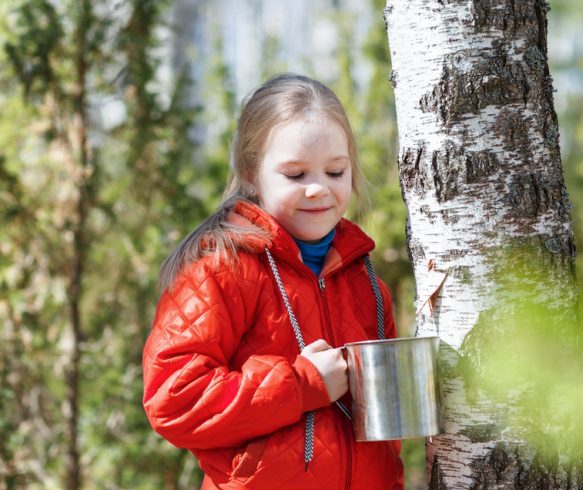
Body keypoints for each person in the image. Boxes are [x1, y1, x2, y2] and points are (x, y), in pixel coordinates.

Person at [142, 73, 404, 489]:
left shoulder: (367, 283)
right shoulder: (221, 268)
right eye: (296, 175)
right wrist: (302, 384)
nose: (318, 189)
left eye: (335, 171)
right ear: (251, 171)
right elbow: (174, 399)